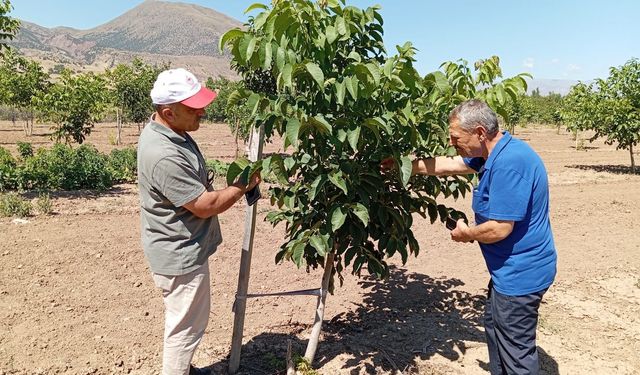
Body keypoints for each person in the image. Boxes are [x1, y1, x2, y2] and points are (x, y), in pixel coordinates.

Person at [382, 99, 557, 375]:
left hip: (521, 275)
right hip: (509, 272)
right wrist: (404, 166)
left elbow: (500, 228)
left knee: (517, 354)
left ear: (479, 132)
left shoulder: (509, 164)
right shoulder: (495, 152)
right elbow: (448, 165)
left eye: (455, 137)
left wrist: (466, 234)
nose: (452, 143)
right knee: (494, 327)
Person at [137, 68, 260, 375]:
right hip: (180, 256)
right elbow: (205, 206)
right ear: (168, 111)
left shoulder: (172, 132)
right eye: (194, 108)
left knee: (184, 319)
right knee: (185, 330)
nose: (202, 112)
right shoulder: (163, 153)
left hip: (180, 247)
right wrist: (242, 186)